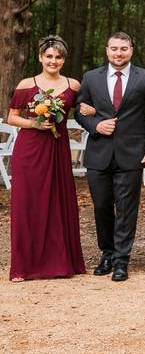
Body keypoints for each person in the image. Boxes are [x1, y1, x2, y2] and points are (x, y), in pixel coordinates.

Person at [75, 31, 145, 282]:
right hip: (98, 153)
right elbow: (80, 112)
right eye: (114, 48)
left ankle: (121, 260)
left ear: (131, 50)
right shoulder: (91, 78)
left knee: (126, 208)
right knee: (102, 205)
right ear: (107, 51)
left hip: (132, 154)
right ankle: (107, 253)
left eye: (123, 48)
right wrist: (96, 125)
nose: (118, 53)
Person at [6, 36, 85, 281]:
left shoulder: (73, 85)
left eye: (58, 57)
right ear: (40, 57)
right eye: (49, 56)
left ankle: (60, 263)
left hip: (58, 149)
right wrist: (34, 123)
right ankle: (24, 267)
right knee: (28, 202)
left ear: (64, 59)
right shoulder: (26, 84)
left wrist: (90, 111)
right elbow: (11, 117)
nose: (53, 61)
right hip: (30, 149)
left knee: (57, 201)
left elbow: (83, 110)